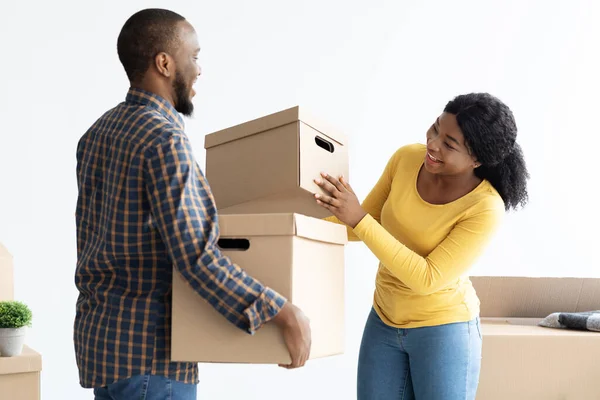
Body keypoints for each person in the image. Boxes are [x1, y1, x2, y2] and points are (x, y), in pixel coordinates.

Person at [74, 8, 311, 400]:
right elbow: (196, 256)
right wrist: (282, 311)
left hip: (104, 350)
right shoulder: (164, 140)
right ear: (164, 63)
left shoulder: (97, 134)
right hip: (152, 361)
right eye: (194, 56)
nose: (199, 69)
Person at [313, 92, 529, 400]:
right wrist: (294, 229)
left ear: (476, 159)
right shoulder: (406, 158)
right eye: (435, 128)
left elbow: (426, 277)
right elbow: (364, 223)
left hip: (443, 331)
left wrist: (358, 218)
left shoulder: (485, 207)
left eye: (449, 144)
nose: (433, 143)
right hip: (384, 322)